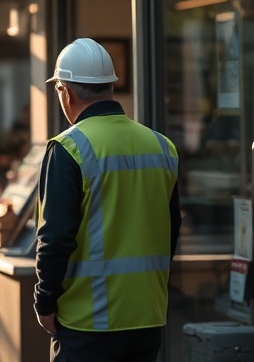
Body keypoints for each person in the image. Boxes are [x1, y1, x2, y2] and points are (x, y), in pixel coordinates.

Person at [34, 38, 181, 362]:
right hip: (147, 318)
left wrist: (45, 302)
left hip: (88, 323)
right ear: (109, 88)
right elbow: (172, 230)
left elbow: (55, 238)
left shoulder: (68, 149)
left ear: (65, 92)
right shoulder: (161, 146)